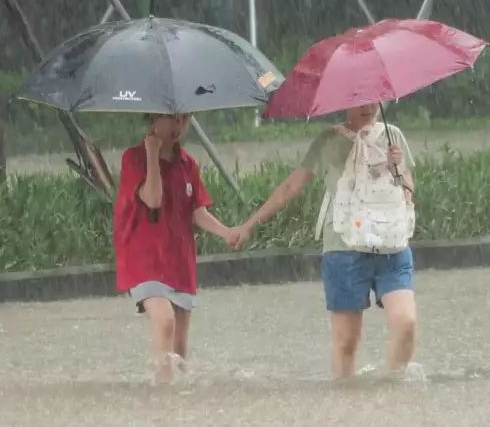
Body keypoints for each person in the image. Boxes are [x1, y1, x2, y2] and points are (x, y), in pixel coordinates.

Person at [229, 104, 420, 380]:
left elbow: (408, 191)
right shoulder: (328, 140)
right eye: (360, 100)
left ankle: (393, 392)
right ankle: (345, 399)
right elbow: (291, 187)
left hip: (391, 245)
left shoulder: (393, 136)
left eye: (373, 99)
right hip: (344, 249)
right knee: (346, 342)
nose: (368, 107)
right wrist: (249, 225)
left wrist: (397, 168)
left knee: (406, 323)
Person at [114, 113, 234, 383]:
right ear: (152, 120)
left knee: (179, 349)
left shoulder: (188, 164)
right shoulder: (133, 159)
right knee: (165, 321)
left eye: (185, 119)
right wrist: (152, 155)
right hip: (144, 259)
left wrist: (226, 232)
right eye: (171, 118)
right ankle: (162, 396)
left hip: (179, 260)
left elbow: (197, 212)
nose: (178, 126)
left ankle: (177, 396)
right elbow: (153, 200)